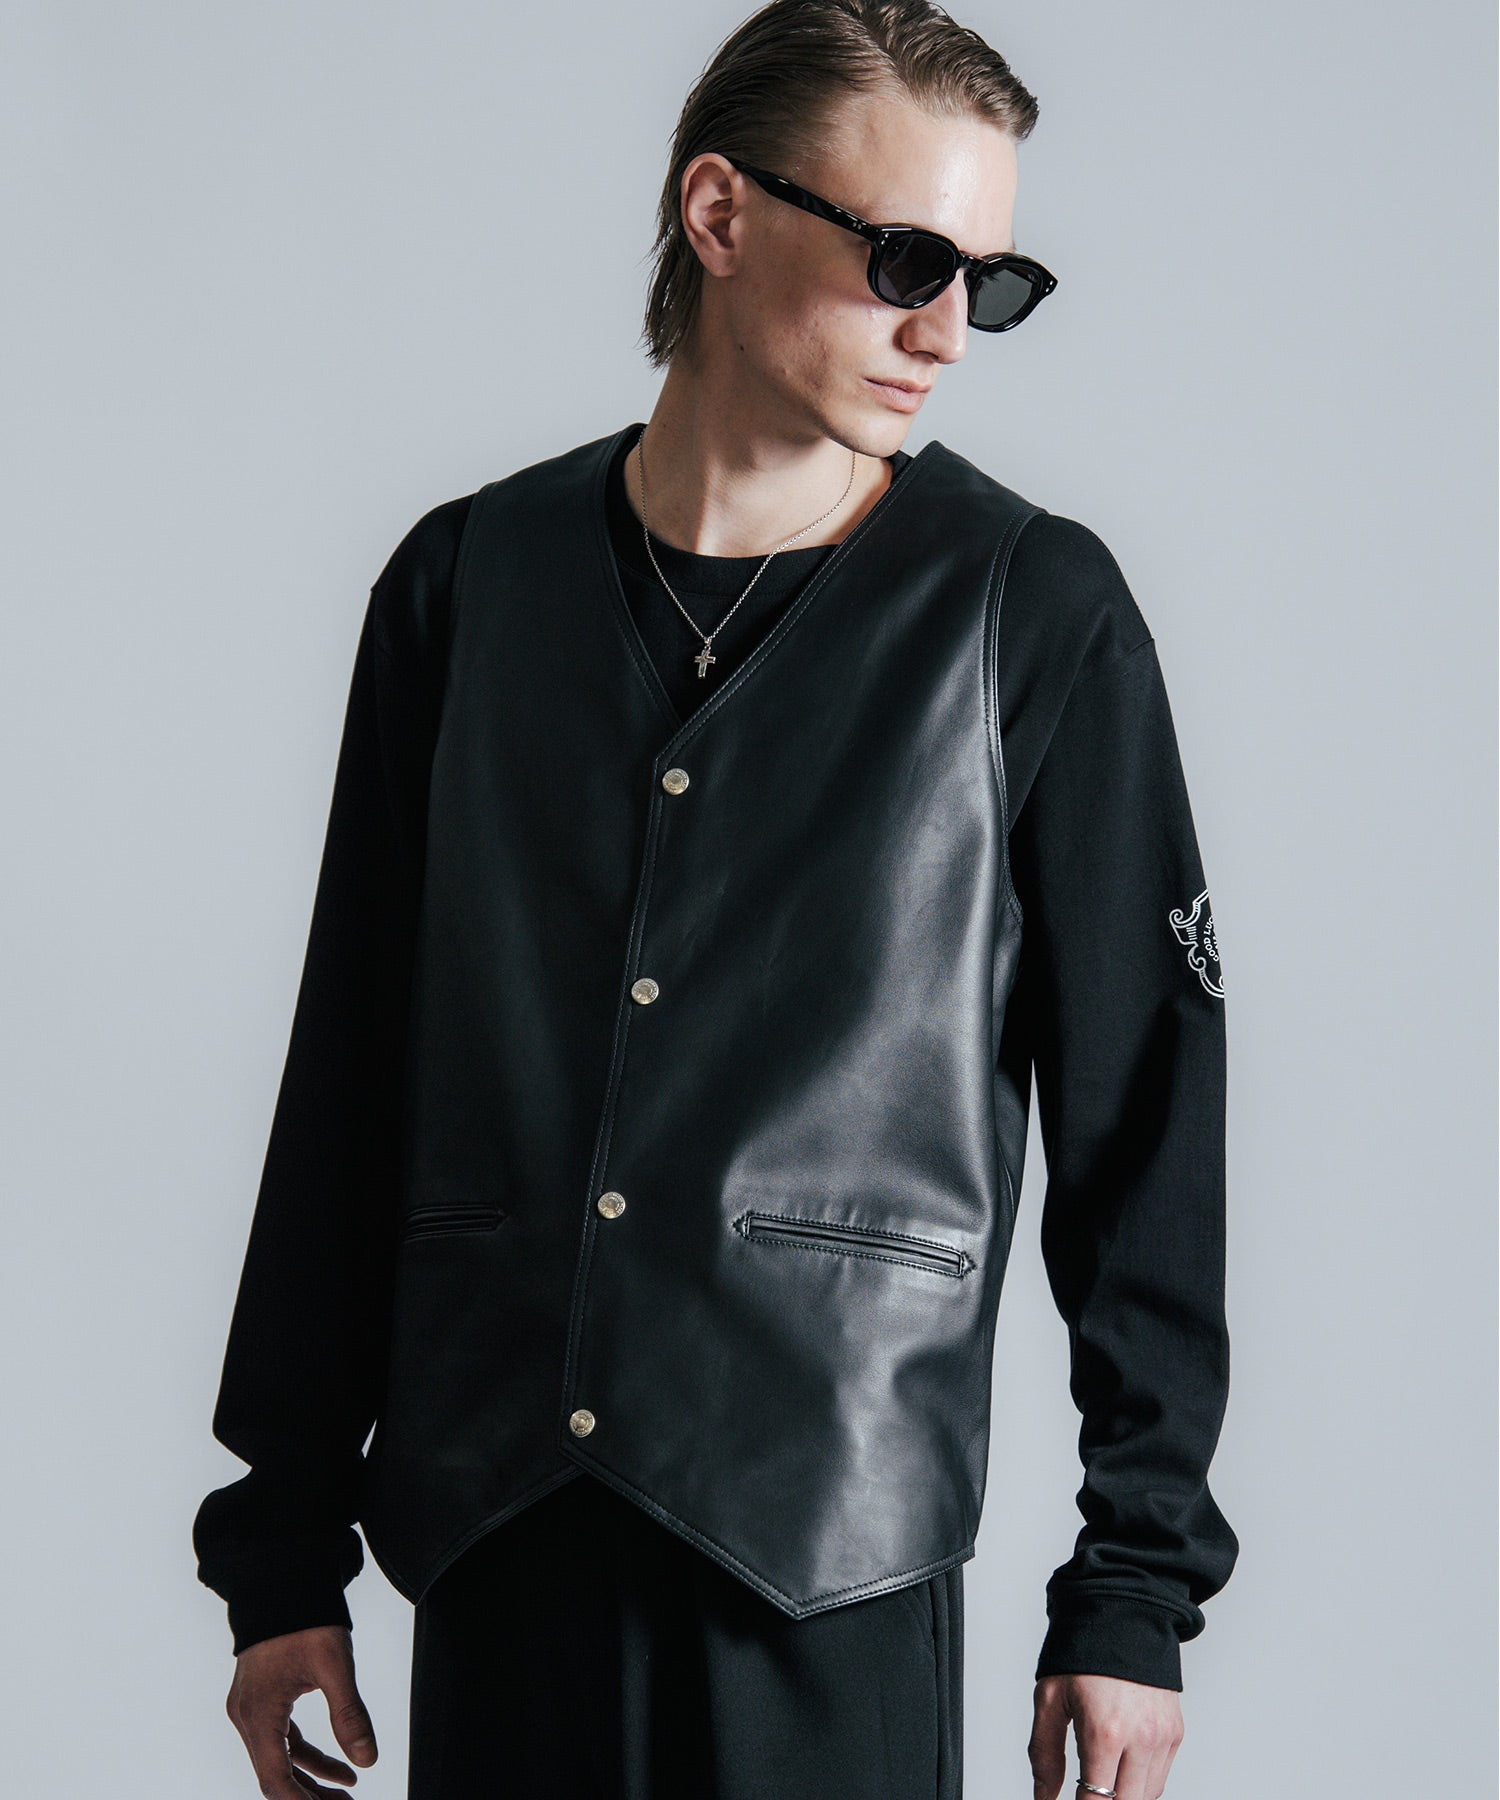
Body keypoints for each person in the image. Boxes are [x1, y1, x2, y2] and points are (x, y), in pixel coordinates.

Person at [191, 3, 1238, 1797]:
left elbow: (1146, 1125)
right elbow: (352, 1069)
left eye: (989, 284)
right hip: (506, 1535)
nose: (944, 331)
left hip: (827, 1560)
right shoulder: (466, 586)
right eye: (908, 260)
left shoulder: (1034, 613)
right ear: (720, 211)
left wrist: (1133, 1585)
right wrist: (280, 1537)